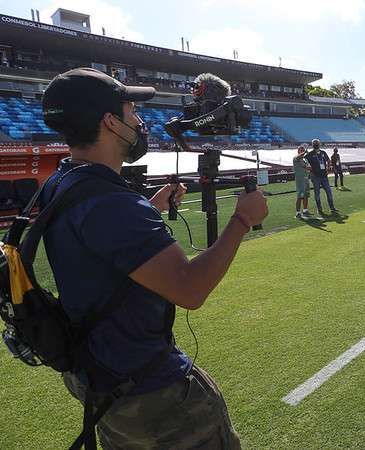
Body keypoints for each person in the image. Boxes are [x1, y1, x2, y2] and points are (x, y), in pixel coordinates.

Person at [40, 68, 268, 448]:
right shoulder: (113, 204)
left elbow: (98, 242)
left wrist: (148, 208)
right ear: (111, 122)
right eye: (132, 112)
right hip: (148, 392)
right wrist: (243, 219)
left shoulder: (63, 181)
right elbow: (190, 289)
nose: (141, 122)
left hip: (99, 374)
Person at [305, 139, 338, 214]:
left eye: (317, 143)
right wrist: (308, 167)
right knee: (317, 193)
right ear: (312, 145)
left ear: (319, 144)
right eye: (315, 143)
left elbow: (328, 161)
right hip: (315, 176)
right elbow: (304, 160)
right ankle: (319, 209)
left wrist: (328, 168)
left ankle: (332, 207)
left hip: (324, 176)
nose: (316, 144)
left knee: (329, 192)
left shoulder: (323, 152)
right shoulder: (310, 154)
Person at [293, 145, 311, 218]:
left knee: (306, 195)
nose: (302, 151)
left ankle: (305, 210)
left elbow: (308, 166)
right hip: (300, 180)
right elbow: (298, 157)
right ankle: (298, 212)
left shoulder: (305, 160)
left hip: (306, 179)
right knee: (300, 196)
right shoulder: (295, 158)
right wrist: (304, 152)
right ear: (298, 151)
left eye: (303, 149)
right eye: (301, 150)